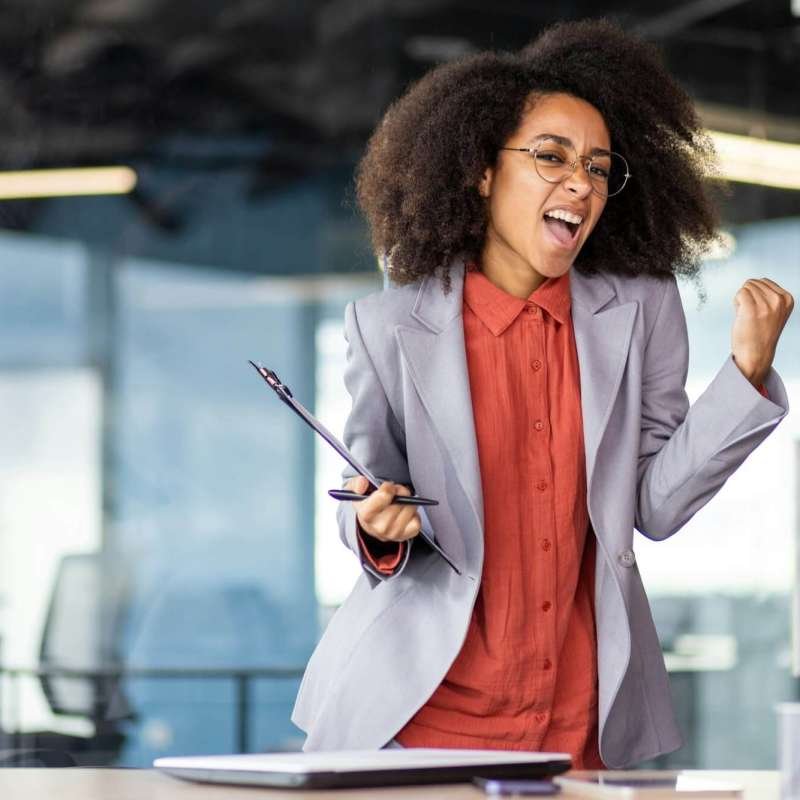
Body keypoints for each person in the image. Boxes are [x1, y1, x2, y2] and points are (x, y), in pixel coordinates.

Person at [291, 19, 793, 768]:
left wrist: (745, 377)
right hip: (418, 716)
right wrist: (375, 527)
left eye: (598, 166)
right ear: (481, 172)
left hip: (577, 719)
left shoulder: (642, 310)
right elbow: (361, 495)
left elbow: (653, 508)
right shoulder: (388, 326)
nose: (580, 183)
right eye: (550, 156)